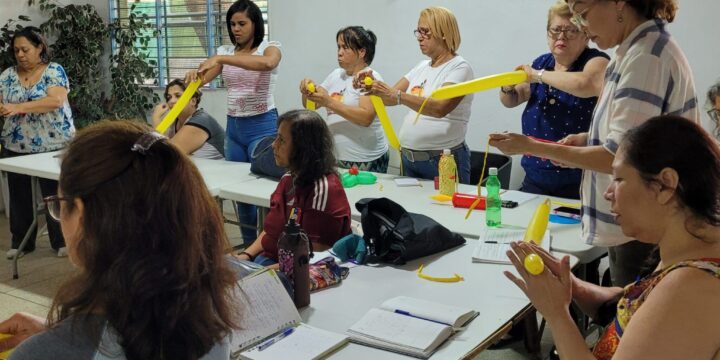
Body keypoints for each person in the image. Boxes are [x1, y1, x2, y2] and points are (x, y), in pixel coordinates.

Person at [490, 0, 699, 286]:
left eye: (584, 16)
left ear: (618, 5)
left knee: (627, 317)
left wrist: (530, 146)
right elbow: (638, 135)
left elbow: (620, 156)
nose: (583, 27)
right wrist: (589, 139)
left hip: (643, 222)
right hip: (635, 219)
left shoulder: (645, 57)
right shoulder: (635, 52)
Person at [0, 121, 238, 359]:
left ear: (82, 216)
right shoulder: (213, 323)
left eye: (59, 204)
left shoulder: (35, 355)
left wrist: (57, 343)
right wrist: (65, 336)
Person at [504, 116, 720, 359]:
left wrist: (555, 313)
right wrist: (573, 287)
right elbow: (633, 304)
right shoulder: (689, 247)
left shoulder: (690, 289)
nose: (608, 193)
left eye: (619, 179)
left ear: (665, 185)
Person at [186, 0, 282, 246]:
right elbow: (204, 78)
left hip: (263, 126)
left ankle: (268, 246)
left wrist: (222, 59)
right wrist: (193, 77)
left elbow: (267, 64)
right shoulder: (226, 53)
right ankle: (249, 248)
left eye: (242, 23)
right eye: (232, 24)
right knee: (241, 194)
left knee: (265, 190)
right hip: (235, 129)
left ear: (255, 24)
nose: (236, 29)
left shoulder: (269, 48)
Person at [500, 0, 609, 199]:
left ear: (586, 35)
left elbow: (585, 84)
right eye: (555, 30)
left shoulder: (596, 61)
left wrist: (536, 75)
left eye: (570, 31)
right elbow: (511, 99)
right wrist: (507, 85)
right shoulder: (542, 63)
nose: (561, 37)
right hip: (535, 177)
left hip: (579, 178)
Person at [357, 6, 474, 183]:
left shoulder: (460, 67)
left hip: (442, 160)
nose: (419, 37)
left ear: (443, 32)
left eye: (425, 32)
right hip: (409, 160)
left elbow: (439, 108)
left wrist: (397, 95)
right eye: (418, 32)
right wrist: (372, 84)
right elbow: (389, 98)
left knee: (445, 211)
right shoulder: (421, 67)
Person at [235, 110, 352, 267]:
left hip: (299, 272)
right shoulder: (289, 179)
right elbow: (271, 232)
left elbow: (313, 258)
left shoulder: (323, 190)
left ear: (303, 148)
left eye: (281, 140)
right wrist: (246, 255)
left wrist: (260, 273)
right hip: (271, 261)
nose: (273, 145)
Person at [0, 26, 74, 259]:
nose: (20, 55)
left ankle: (61, 240)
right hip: (16, 144)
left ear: (39, 47)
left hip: (53, 144)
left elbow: (55, 100)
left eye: (25, 49)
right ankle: (21, 242)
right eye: (16, 51)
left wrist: (19, 107)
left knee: (54, 194)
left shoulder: (54, 71)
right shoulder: (7, 76)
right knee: (18, 194)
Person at [299, 26, 389, 173]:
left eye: (345, 48)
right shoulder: (336, 74)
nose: (339, 53)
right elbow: (312, 105)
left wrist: (329, 102)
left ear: (361, 52)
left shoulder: (369, 78)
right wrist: (307, 92)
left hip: (364, 160)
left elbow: (365, 118)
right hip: (334, 157)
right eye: (338, 47)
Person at [152, 79, 226, 159]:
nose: (171, 101)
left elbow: (170, 154)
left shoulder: (202, 119)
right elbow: (162, 146)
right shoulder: (174, 122)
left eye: (178, 96)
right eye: (169, 97)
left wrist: (156, 118)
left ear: (193, 101)